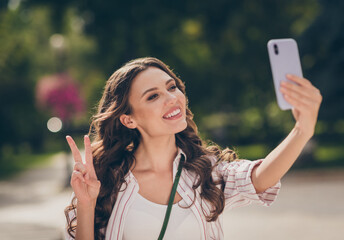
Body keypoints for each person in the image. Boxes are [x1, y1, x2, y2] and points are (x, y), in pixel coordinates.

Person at [64, 57, 322, 240]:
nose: (171, 98)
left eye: (171, 87)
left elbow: (259, 177)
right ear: (129, 119)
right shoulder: (108, 179)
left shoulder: (205, 173)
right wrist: (86, 205)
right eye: (153, 96)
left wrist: (302, 130)